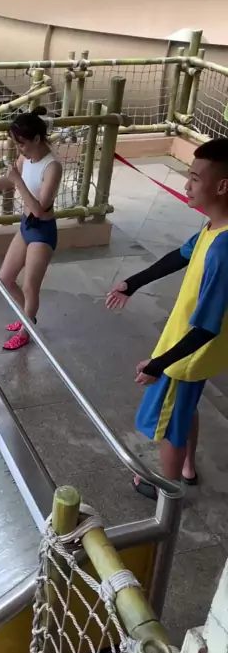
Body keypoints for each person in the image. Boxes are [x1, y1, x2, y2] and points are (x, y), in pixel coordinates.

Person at [106, 138, 228, 498]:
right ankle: (187, 468)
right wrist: (132, 283)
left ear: (222, 186)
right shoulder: (214, 229)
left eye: (195, 178)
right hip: (197, 353)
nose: (186, 185)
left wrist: (158, 364)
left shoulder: (222, 250)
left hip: (187, 353)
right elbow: (180, 255)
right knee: (184, 408)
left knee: (170, 422)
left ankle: (168, 490)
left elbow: (206, 327)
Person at [0, 106, 62, 350]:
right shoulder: (25, 158)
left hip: (42, 230)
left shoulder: (52, 167)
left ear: (37, 139)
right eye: (16, 144)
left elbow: (39, 208)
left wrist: (18, 181)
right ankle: (27, 317)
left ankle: (26, 330)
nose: (19, 149)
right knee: (6, 279)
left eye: (22, 144)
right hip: (25, 226)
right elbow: (9, 181)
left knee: (30, 287)